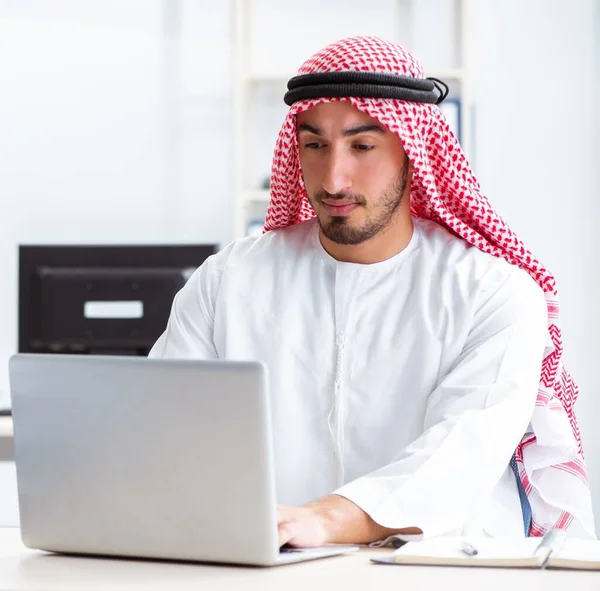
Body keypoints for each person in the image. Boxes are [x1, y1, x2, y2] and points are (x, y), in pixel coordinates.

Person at [149, 36, 595, 546]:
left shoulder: (493, 293)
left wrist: (324, 520)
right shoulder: (228, 281)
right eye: (314, 145)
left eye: (362, 146)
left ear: (413, 150)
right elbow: (167, 433)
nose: (334, 178)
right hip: (267, 566)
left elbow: (459, 456)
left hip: (437, 570)